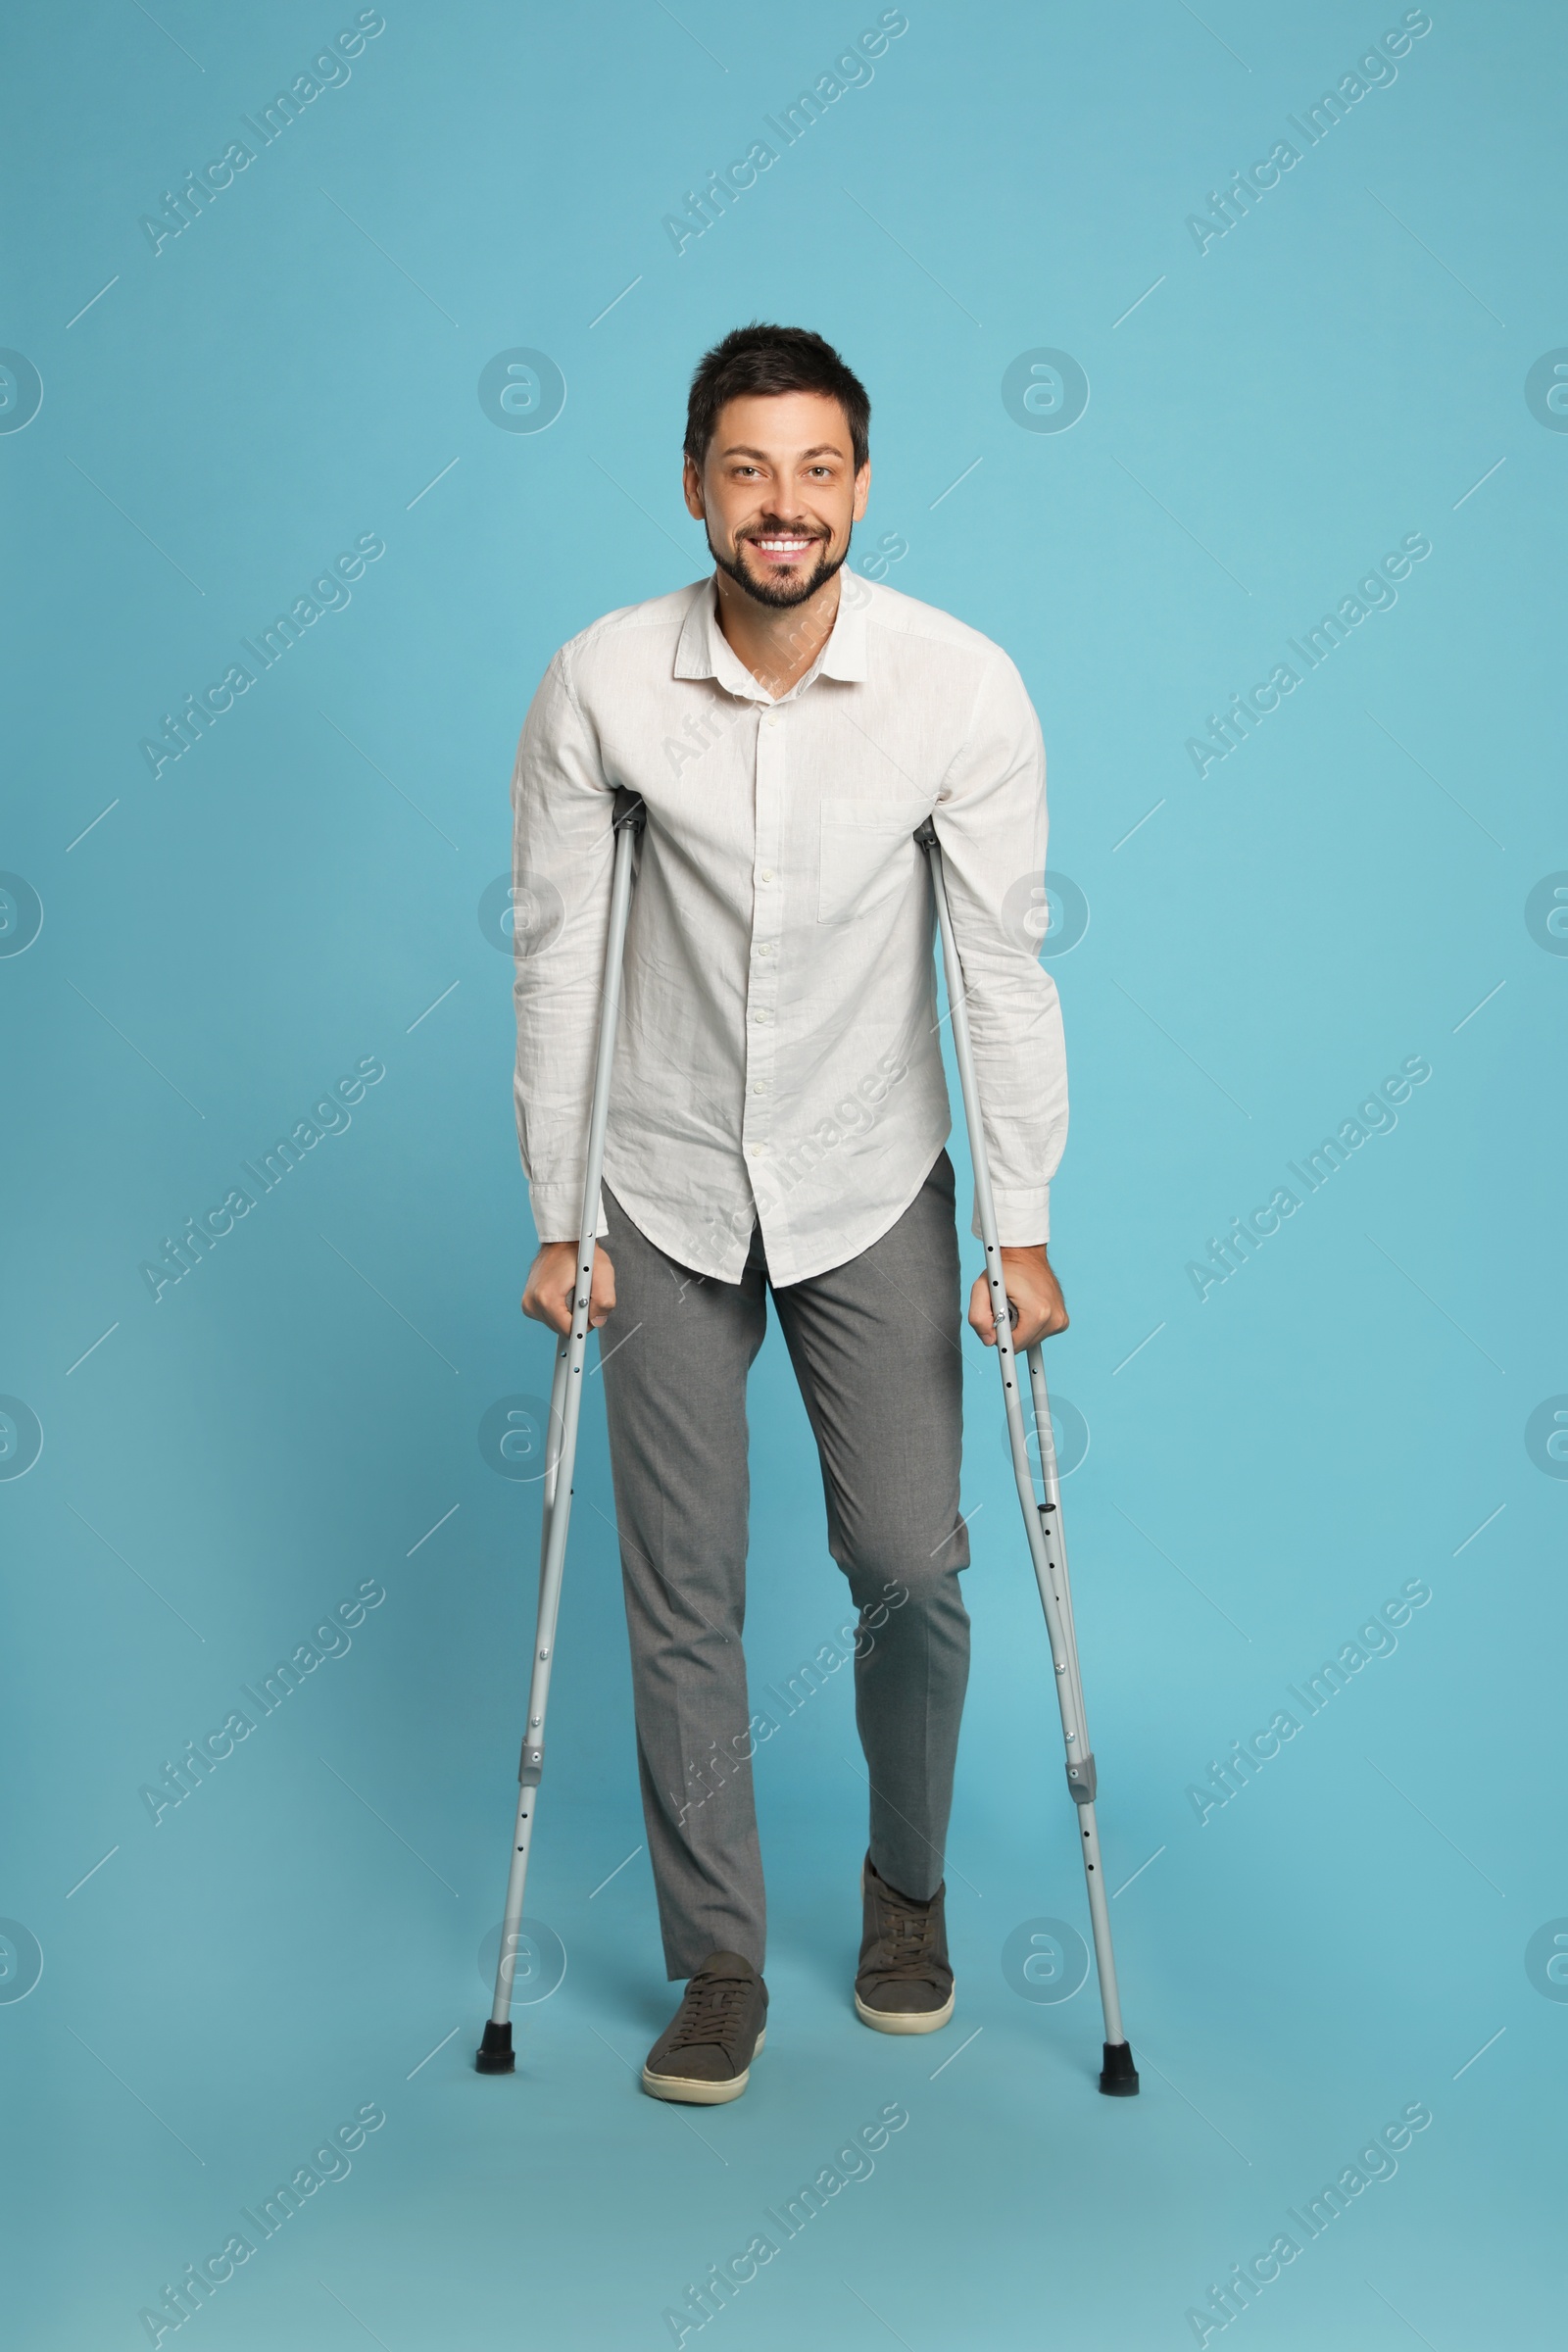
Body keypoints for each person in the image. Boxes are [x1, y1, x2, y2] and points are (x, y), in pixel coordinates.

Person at [510, 323, 1068, 2104]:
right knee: (683, 1587)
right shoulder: (600, 682)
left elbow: (997, 963)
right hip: (658, 1174)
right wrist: (554, 1209)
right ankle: (717, 1964)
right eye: (747, 469)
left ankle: (905, 1890)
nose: (782, 506)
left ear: (862, 488)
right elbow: (559, 959)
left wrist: (1023, 1222)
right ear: (694, 485)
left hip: (867, 1168)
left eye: (815, 470)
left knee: (910, 1559)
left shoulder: (959, 687)